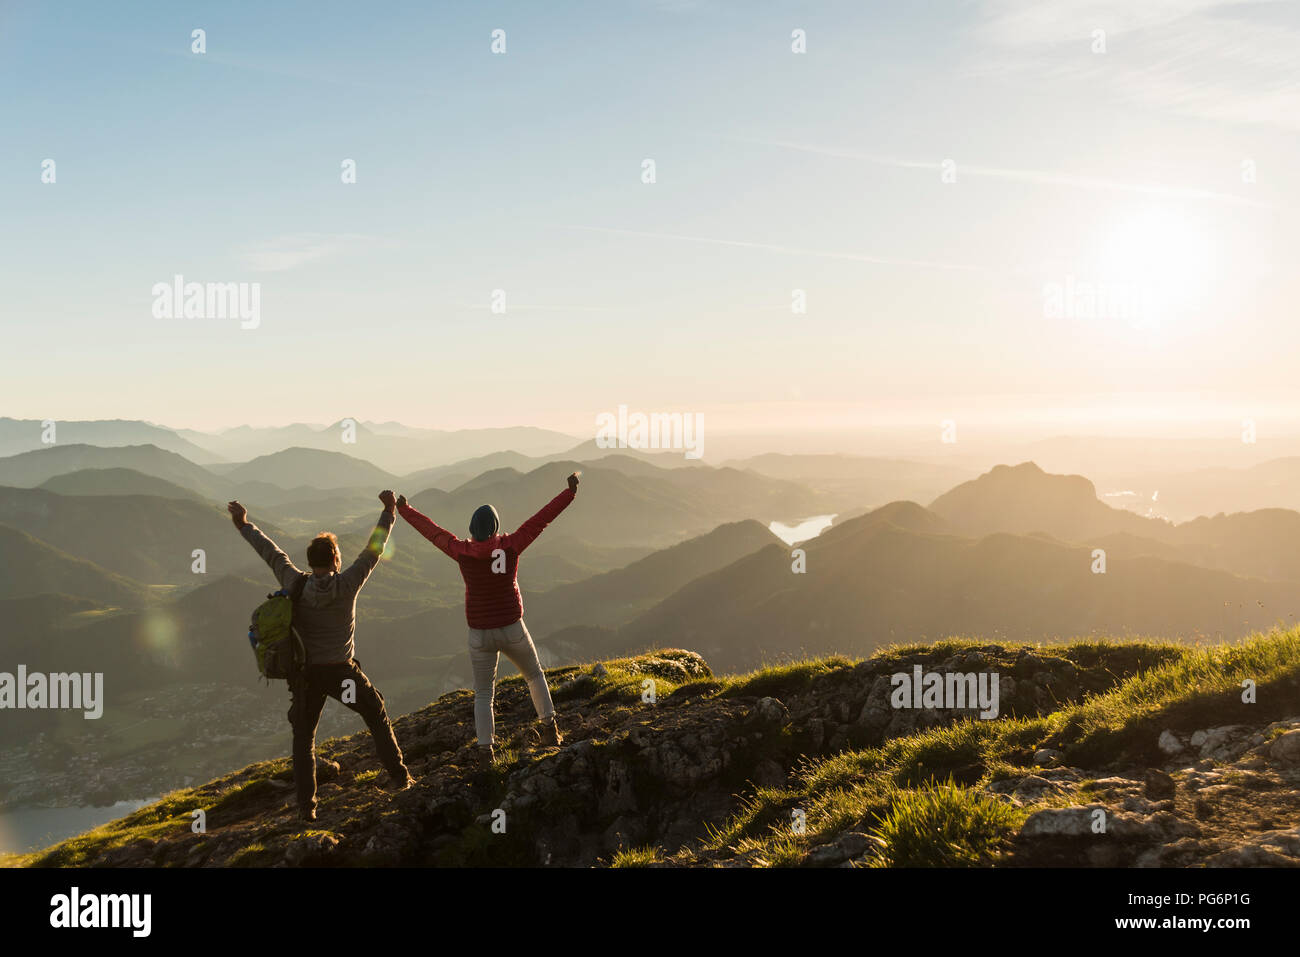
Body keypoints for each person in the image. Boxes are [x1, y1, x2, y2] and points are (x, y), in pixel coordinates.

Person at [227, 491, 414, 821]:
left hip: (306, 676)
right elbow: (374, 549)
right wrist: (389, 511)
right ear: (335, 560)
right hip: (342, 674)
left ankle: (306, 810)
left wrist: (244, 524)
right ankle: (401, 779)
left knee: (304, 740)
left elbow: (271, 553)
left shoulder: (294, 582)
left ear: (311, 561)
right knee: (376, 715)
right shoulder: (348, 583)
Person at [396, 472, 579, 766]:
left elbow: (433, 532)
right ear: (495, 527)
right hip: (512, 627)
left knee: (483, 693)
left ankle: (486, 751)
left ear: (472, 528)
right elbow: (541, 520)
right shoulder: (512, 545)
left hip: (479, 634)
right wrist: (568, 493)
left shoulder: (461, 551)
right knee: (534, 675)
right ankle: (549, 730)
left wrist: (404, 509)